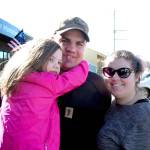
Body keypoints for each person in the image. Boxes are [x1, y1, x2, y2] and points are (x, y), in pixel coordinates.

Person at [0, 38, 88, 150]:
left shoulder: (15, 78)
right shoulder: (48, 84)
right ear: (36, 58)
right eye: (51, 59)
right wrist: (84, 64)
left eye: (59, 62)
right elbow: (74, 78)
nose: (57, 66)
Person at [53, 17, 111, 150]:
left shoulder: (97, 85)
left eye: (79, 43)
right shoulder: (30, 79)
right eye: (65, 41)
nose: (71, 49)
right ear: (53, 41)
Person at [97, 50, 150, 150]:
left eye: (123, 72)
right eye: (109, 71)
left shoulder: (144, 117)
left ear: (137, 76)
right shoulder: (115, 103)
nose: (115, 77)